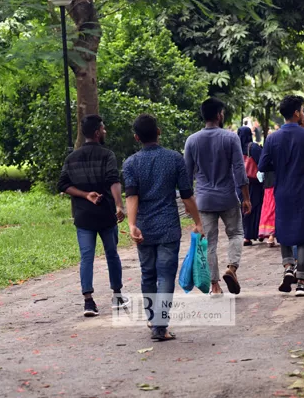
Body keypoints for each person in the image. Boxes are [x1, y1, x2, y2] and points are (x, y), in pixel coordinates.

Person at [123, 114, 203, 341]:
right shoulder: (174, 159)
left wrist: (132, 225)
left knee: (148, 273)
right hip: (168, 225)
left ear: (136, 137)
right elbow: (187, 195)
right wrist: (197, 221)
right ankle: (160, 325)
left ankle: (152, 318)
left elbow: (132, 196)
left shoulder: (130, 163)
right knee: (165, 275)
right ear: (158, 132)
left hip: (144, 227)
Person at [57, 115, 129, 317]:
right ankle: (117, 295)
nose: (105, 132)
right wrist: (119, 205)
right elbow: (113, 181)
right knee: (112, 254)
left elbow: (62, 184)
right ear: (97, 132)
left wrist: (84, 195)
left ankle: (88, 302)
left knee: (86, 257)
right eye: (103, 129)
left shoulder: (72, 158)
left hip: (83, 217)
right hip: (106, 215)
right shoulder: (107, 155)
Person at [258, 96, 304, 297]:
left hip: (282, 191)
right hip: (302, 190)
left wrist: (280, 165)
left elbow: (263, 165)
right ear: (297, 112)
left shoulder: (272, 138)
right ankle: (301, 283)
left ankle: (288, 267)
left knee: (284, 228)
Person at [184, 98, 250, 296]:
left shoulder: (192, 140)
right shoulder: (230, 138)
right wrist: (246, 196)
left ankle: (215, 285)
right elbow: (239, 169)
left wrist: (188, 203)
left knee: (209, 242)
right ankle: (232, 268)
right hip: (228, 197)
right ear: (219, 115)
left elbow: (186, 175)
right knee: (236, 234)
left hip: (203, 199)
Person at [237, 126, 264, 247]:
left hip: (239, 183)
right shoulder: (252, 147)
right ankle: (257, 232)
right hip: (254, 183)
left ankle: (246, 236)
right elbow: (262, 162)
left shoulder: (235, 148)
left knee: (243, 208)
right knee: (256, 206)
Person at [258, 169, 277, 246]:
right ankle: (271, 235)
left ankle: (270, 235)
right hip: (276, 181)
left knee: (270, 208)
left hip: (270, 181)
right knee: (272, 208)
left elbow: (262, 164)